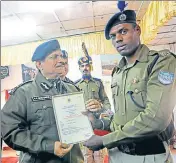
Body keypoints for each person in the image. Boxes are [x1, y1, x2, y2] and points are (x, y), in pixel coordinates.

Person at [83, 9, 176, 163]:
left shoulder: (160, 62)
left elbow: (156, 119)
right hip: (118, 155)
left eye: (123, 31)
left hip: (149, 155)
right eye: (113, 36)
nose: (118, 39)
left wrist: (105, 140)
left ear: (137, 30)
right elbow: (120, 119)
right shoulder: (118, 71)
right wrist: (99, 123)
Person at [1, 39, 84, 163]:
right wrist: (48, 145)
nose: (61, 60)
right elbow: (10, 131)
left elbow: (82, 122)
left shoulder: (73, 89)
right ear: (39, 64)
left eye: (61, 56)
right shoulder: (24, 93)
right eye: (54, 57)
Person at [75, 46, 112, 163]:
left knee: (99, 155)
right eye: (82, 66)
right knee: (86, 156)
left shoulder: (98, 82)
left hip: (98, 125)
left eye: (87, 65)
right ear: (79, 68)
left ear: (90, 67)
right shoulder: (74, 85)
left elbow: (106, 103)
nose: (85, 68)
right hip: (83, 126)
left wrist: (102, 108)